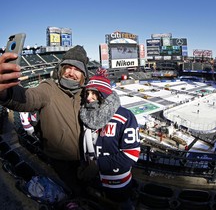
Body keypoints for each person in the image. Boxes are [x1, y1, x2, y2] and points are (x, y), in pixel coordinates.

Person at [0, 45, 89, 197]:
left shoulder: (87, 94)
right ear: (61, 69)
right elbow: (27, 98)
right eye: (68, 67)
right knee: (74, 193)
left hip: (86, 160)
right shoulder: (49, 88)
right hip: (61, 162)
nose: (71, 73)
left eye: (77, 70)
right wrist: (4, 92)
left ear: (83, 75)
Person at [78, 70, 141, 209]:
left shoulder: (125, 116)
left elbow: (131, 154)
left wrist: (97, 165)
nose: (89, 98)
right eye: (87, 93)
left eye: (94, 93)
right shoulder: (85, 114)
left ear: (104, 94)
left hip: (117, 185)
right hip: (92, 181)